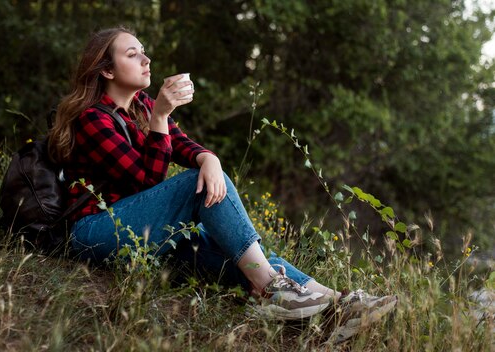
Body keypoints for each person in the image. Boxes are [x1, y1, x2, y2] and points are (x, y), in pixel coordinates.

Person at [47, 27, 397, 341]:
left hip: (145, 237)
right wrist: (161, 118)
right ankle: (274, 290)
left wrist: (208, 158)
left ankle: (337, 306)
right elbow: (146, 181)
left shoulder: (141, 106)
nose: (146, 58)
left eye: (143, 50)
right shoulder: (92, 118)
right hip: (95, 234)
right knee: (191, 186)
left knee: (238, 252)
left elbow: (184, 145)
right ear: (107, 70)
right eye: (132, 53)